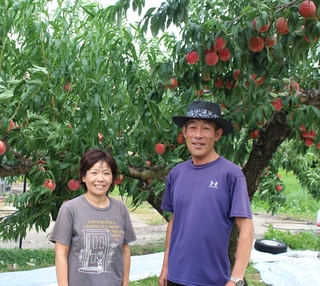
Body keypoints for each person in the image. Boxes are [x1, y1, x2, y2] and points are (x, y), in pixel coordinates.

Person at [158, 100, 254, 286]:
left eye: (206, 129)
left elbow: (247, 230)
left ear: (217, 134)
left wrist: (236, 279)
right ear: (185, 132)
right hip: (175, 277)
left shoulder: (231, 174)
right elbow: (174, 222)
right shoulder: (177, 173)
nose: (198, 135)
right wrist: (166, 267)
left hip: (213, 280)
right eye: (192, 128)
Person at [49, 148, 136, 286]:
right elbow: (61, 254)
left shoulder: (120, 209)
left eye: (106, 173)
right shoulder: (70, 209)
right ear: (84, 177)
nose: (100, 179)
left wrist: (125, 283)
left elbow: (125, 251)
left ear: (112, 178)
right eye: (94, 173)